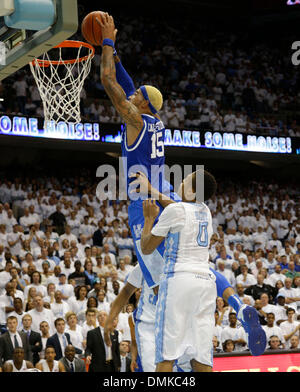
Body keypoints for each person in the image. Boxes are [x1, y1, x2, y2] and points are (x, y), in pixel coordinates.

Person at [99, 12, 265, 358]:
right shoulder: (153, 118)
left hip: (144, 197)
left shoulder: (133, 118)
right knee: (196, 262)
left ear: (142, 102)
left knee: (159, 274)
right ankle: (235, 305)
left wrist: (107, 44)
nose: (133, 94)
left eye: (137, 95)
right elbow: (129, 86)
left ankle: (168, 352)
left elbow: (109, 82)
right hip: (169, 195)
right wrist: (116, 56)